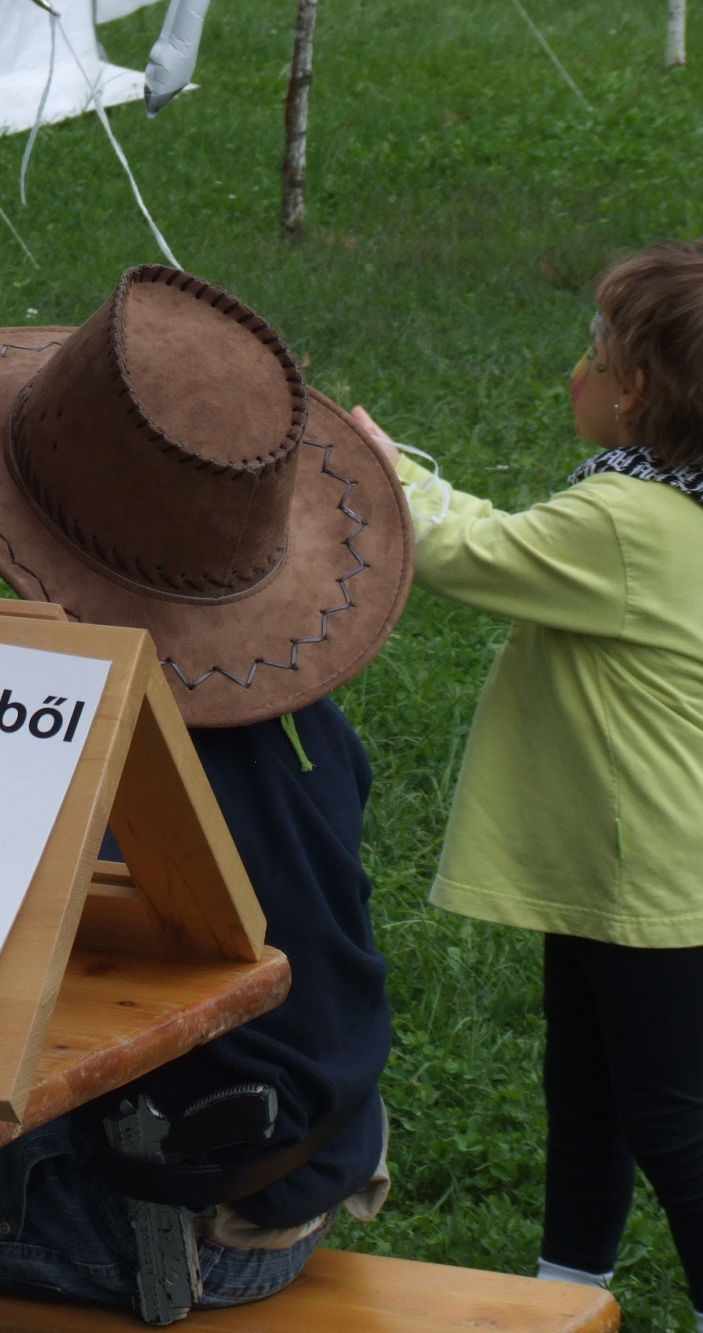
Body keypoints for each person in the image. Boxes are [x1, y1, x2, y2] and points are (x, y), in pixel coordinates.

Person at [0, 266, 412, 1324]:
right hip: (310, 1156)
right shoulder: (304, 723)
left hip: (177, 1212)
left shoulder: (96, 753)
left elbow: (1, 997)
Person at [353, 242, 703, 1323]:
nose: (573, 371)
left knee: (669, 1119)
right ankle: (565, 1291)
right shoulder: (672, 506)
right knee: (589, 1089)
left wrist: (381, 471)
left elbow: (466, 554)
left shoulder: (625, 523)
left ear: (635, 389)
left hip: (645, 879)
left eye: (592, 350)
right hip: (620, 871)